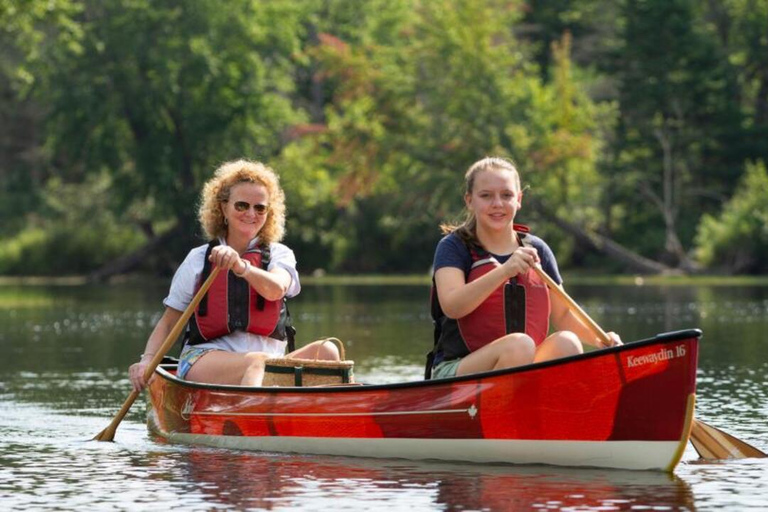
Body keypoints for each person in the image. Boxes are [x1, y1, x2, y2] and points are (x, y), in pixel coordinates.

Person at [129, 159, 339, 391]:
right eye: (242, 206)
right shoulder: (198, 259)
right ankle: (252, 417)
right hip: (205, 360)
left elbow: (277, 288)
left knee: (328, 351)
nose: (251, 213)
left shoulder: (280, 254)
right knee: (257, 362)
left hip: (271, 365)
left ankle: (328, 419)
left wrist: (241, 267)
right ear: (223, 208)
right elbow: (169, 323)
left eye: (260, 207)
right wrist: (147, 359)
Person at [429, 156, 621, 380]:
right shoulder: (453, 246)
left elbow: (563, 313)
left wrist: (601, 340)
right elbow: (452, 306)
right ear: (469, 200)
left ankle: (546, 410)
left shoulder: (537, 248)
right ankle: (504, 409)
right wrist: (504, 270)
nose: (497, 204)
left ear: (519, 199)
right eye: (486, 196)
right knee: (519, 345)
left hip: (519, 365)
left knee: (566, 342)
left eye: (507, 195)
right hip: (457, 371)